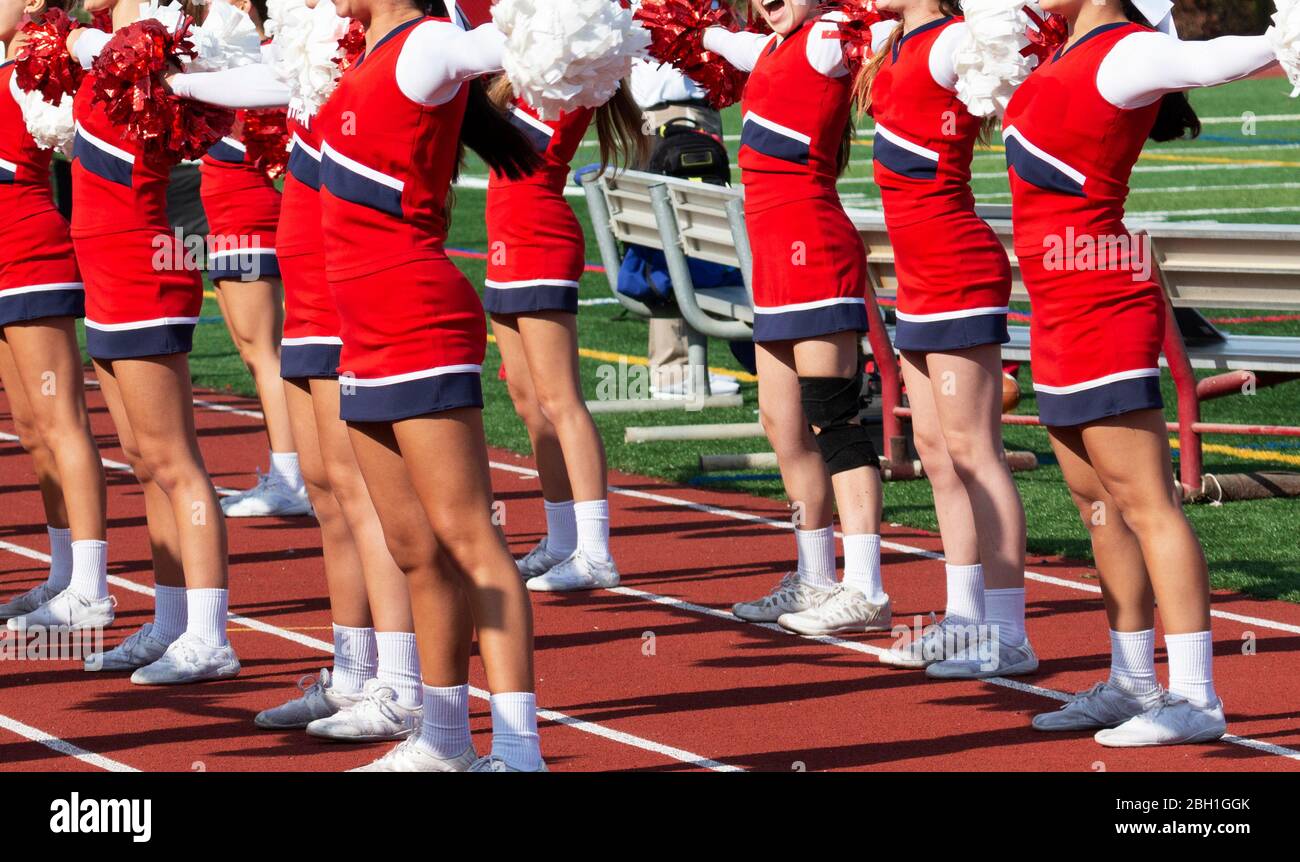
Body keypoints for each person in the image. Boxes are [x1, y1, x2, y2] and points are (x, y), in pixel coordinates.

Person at [1003, 0, 1279, 746]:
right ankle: (1132, 680)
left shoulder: (1127, 52)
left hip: (1099, 302)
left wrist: (1287, 37)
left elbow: (1213, 59)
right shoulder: (1059, 51)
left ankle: (1195, 697)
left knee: (1147, 502)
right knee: (1096, 505)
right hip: (1055, 307)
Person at [169, 0, 426, 741]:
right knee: (327, 494)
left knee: (364, 495)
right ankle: (351, 673)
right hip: (310, 294)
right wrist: (174, 84)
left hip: (347, 294)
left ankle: (401, 683)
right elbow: (263, 82)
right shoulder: (319, 44)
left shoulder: (382, 49)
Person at [315, 0, 546, 771]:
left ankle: (518, 751)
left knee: (470, 537)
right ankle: (444, 739)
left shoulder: (428, 45)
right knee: (414, 547)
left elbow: (498, 40)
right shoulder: (368, 55)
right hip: (363, 324)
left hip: (416, 313)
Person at [644, 0, 891, 636]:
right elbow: (709, 36)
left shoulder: (826, 40)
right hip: (775, 261)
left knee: (833, 417)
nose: (769, 2)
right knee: (782, 424)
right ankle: (814, 576)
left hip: (815, 250)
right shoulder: (770, 49)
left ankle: (866, 587)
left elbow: (900, 27)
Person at [855, 0, 1036, 678]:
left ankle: (1011, 633)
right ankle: (964, 619)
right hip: (919, 275)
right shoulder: (898, 42)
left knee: (975, 451)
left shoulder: (951, 39)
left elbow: (1017, 61)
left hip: (957, 267)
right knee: (935, 450)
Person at [64, 0, 237, 684]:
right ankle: (171, 622)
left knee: (173, 458)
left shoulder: (155, 43)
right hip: (106, 267)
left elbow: (99, 48)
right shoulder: (114, 39)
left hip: (141, 264)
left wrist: (79, 32)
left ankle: (210, 633)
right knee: (140, 457)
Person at [483, 80, 641, 591]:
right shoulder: (528, 63)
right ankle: (559, 539)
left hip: (537, 235)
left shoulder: (568, 72)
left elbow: (505, 139)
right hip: (505, 234)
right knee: (528, 400)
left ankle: (595, 553)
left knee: (560, 400)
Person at [0, 0, 112, 632]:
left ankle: (92, 589)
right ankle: (63, 575)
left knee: (62, 419)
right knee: (31, 426)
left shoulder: (43, 65)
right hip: (2, 257)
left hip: (30, 250)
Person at [198, 0, 310, 519]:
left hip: (246, 209)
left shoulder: (263, 58)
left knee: (265, 352)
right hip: (227, 211)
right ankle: (287, 470)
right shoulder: (240, 57)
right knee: (252, 349)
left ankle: (293, 477)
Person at [627, 56, 739, 400]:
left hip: (682, 106)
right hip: (667, 107)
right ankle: (672, 369)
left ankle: (687, 366)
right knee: (673, 239)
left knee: (688, 238)